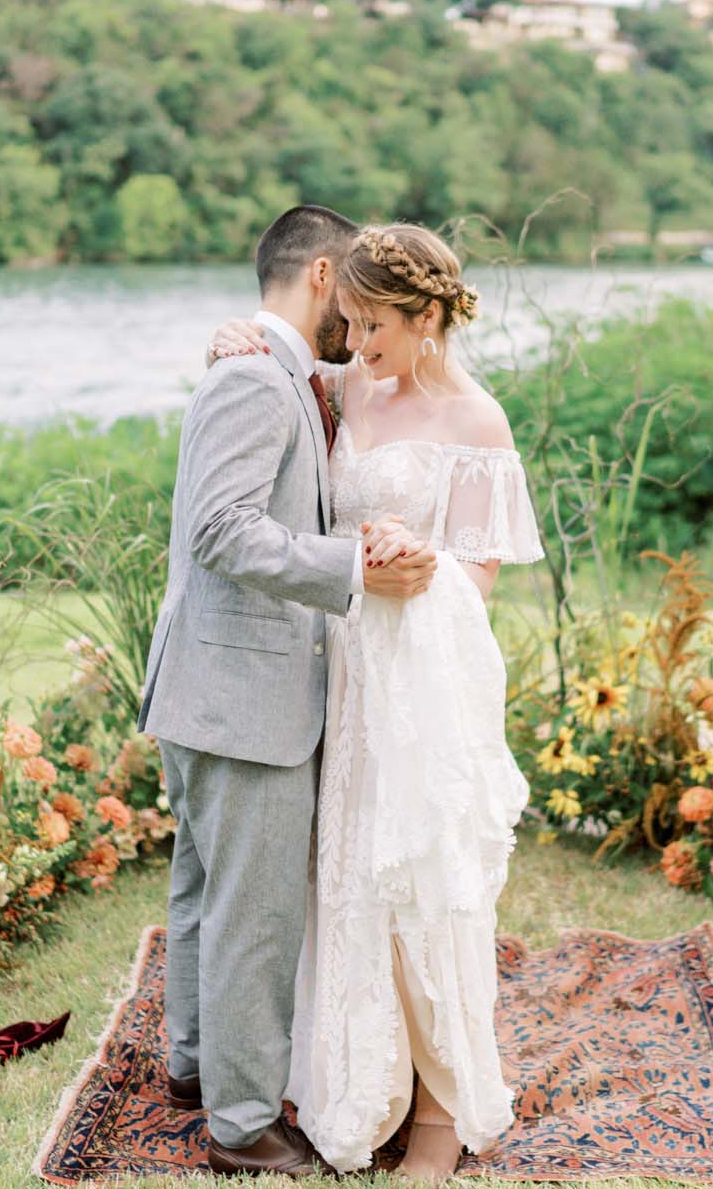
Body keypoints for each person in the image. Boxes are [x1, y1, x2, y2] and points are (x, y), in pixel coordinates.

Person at [206, 222, 543, 1178]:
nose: (353, 345)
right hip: (341, 670)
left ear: (428, 315)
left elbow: (478, 579)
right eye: (346, 324)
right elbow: (266, 381)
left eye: (373, 327)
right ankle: (363, 1079)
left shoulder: (479, 423)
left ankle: (438, 1113)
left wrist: (422, 562)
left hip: (424, 677)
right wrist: (227, 339)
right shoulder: (346, 385)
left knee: (424, 877)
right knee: (346, 874)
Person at [137, 204, 439, 1177]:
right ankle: (239, 1122)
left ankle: (193, 1067)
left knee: (203, 889)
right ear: (317, 272)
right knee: (251, 912)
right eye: (344, 286)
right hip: (241, 695)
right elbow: (221, 530)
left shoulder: (273, 373)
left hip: (212, 687)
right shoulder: (255, 383)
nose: (351, 311)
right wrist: (349, 567)